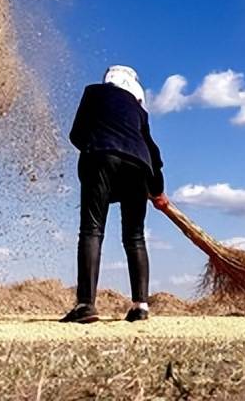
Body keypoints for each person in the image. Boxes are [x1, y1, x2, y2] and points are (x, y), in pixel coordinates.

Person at [61, 65, 169, 323]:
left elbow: (76, 134)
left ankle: (86, 305)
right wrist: (158, 191)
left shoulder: (94, 93)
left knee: (92, 230)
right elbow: (152, 151)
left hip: (100, 156)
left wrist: (95, 146)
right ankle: (141, 306)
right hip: (139, 166)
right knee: (135, 236)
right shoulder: (138, 110)